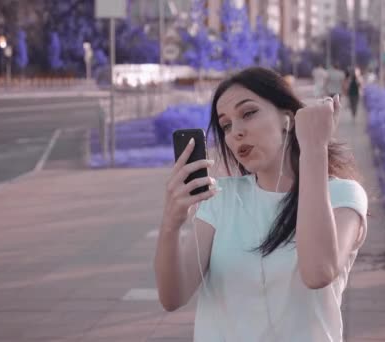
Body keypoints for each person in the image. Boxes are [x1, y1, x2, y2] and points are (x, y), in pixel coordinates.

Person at [155, 67, 368, 342]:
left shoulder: (342, 196)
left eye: (249, 113)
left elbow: (318, 272)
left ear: (287, 118)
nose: (236, 133)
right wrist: (170, 224)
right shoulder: (220, 198)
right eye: (226, 125)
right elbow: (173, 296)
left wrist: (315, 149)